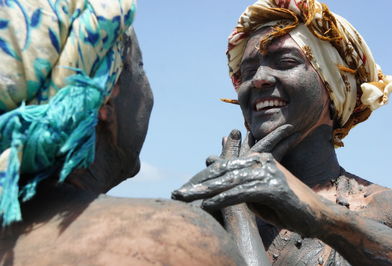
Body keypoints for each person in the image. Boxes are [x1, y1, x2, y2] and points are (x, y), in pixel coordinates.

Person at [0, 1, 244, 265]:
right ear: (105, 97)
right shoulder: (168, 241)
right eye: (140, 66)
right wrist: (240, 210)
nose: (149, 91)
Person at [172, 0, 392, 265]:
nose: (258, 78)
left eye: (286, 62)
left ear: (332, 88)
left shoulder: (385, 211)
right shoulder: (202, 207)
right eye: (248, 71)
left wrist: (238, 208)